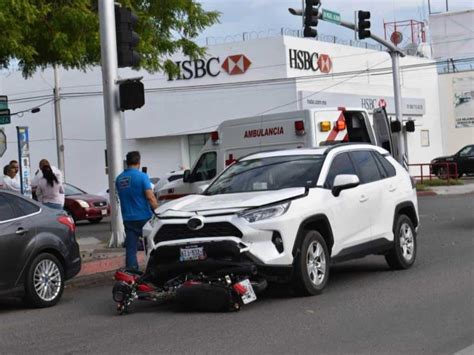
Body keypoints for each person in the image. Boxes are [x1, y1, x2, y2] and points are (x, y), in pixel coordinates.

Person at [116, 151, 159, 270]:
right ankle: (154, 269)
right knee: (152, 244)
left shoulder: (119, 179)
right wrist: (159, 211)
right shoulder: (142, 176)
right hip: (144, 218)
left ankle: (132, 272)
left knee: (131, 248)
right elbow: (150, 197)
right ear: (139, 162)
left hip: (128, 218)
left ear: (127, 162)